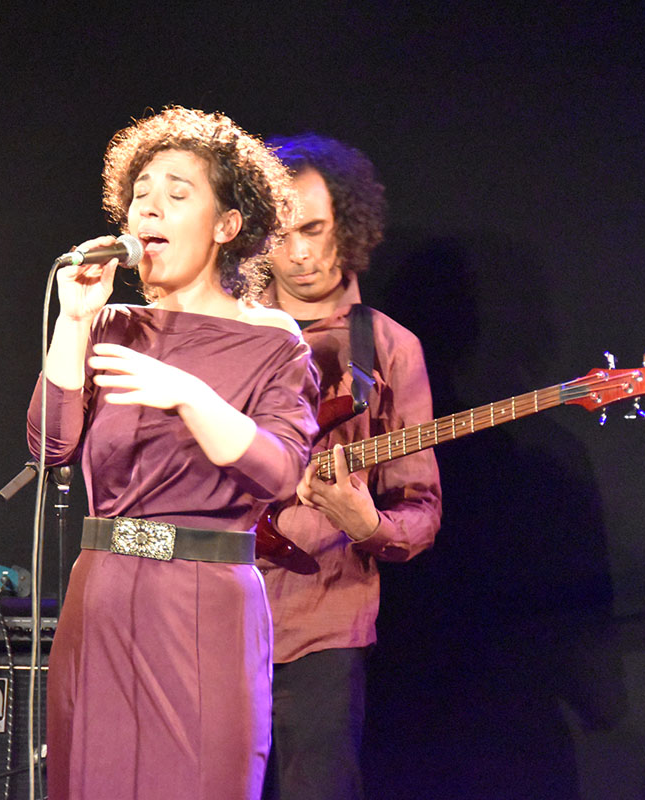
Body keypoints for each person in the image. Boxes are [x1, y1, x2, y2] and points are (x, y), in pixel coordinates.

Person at [26, 107, 320, 800]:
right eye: (141, 195)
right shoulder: (112, 326)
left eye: (177, 194)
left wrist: (191, 396)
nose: (149, 209)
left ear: (226, 226)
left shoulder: (273, 340)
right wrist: (75, 321)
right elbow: (49, 446)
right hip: (103, 593)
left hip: (205, 599)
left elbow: (280, 471)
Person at [257, 134, 443, 800]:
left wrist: (368, 524)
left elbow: (421, 509)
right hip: (206, 616)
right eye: (279, 235)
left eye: (313, 229)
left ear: (349, 225)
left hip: (322, 622)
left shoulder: (389, 347)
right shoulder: (225, 332)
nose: (298, 253)